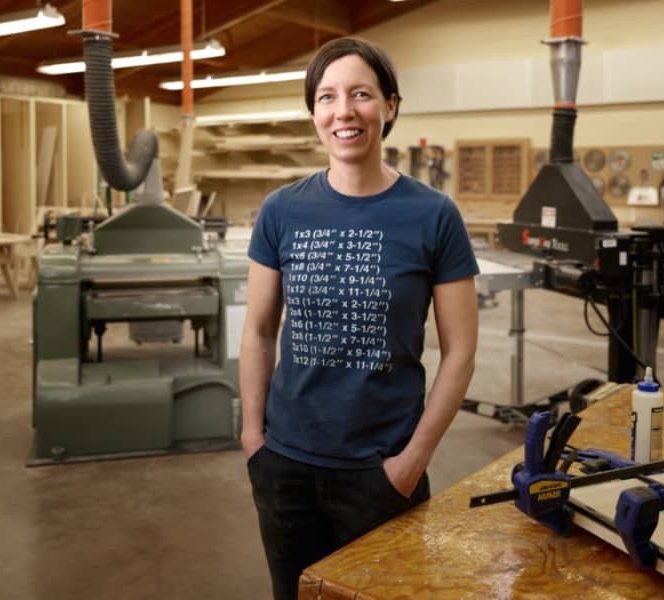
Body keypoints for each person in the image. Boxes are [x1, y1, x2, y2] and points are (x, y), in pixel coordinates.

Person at [239, 36, 479, 600]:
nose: (343, 111)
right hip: (285, 466)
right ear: (315, 113)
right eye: (327, 97)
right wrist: (254, 439)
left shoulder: (433, 215)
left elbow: (461, 351)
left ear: (390, 106)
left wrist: (411, 462)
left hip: (381, 471)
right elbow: (257, 331)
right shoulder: (282, 211)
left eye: (361, 94)